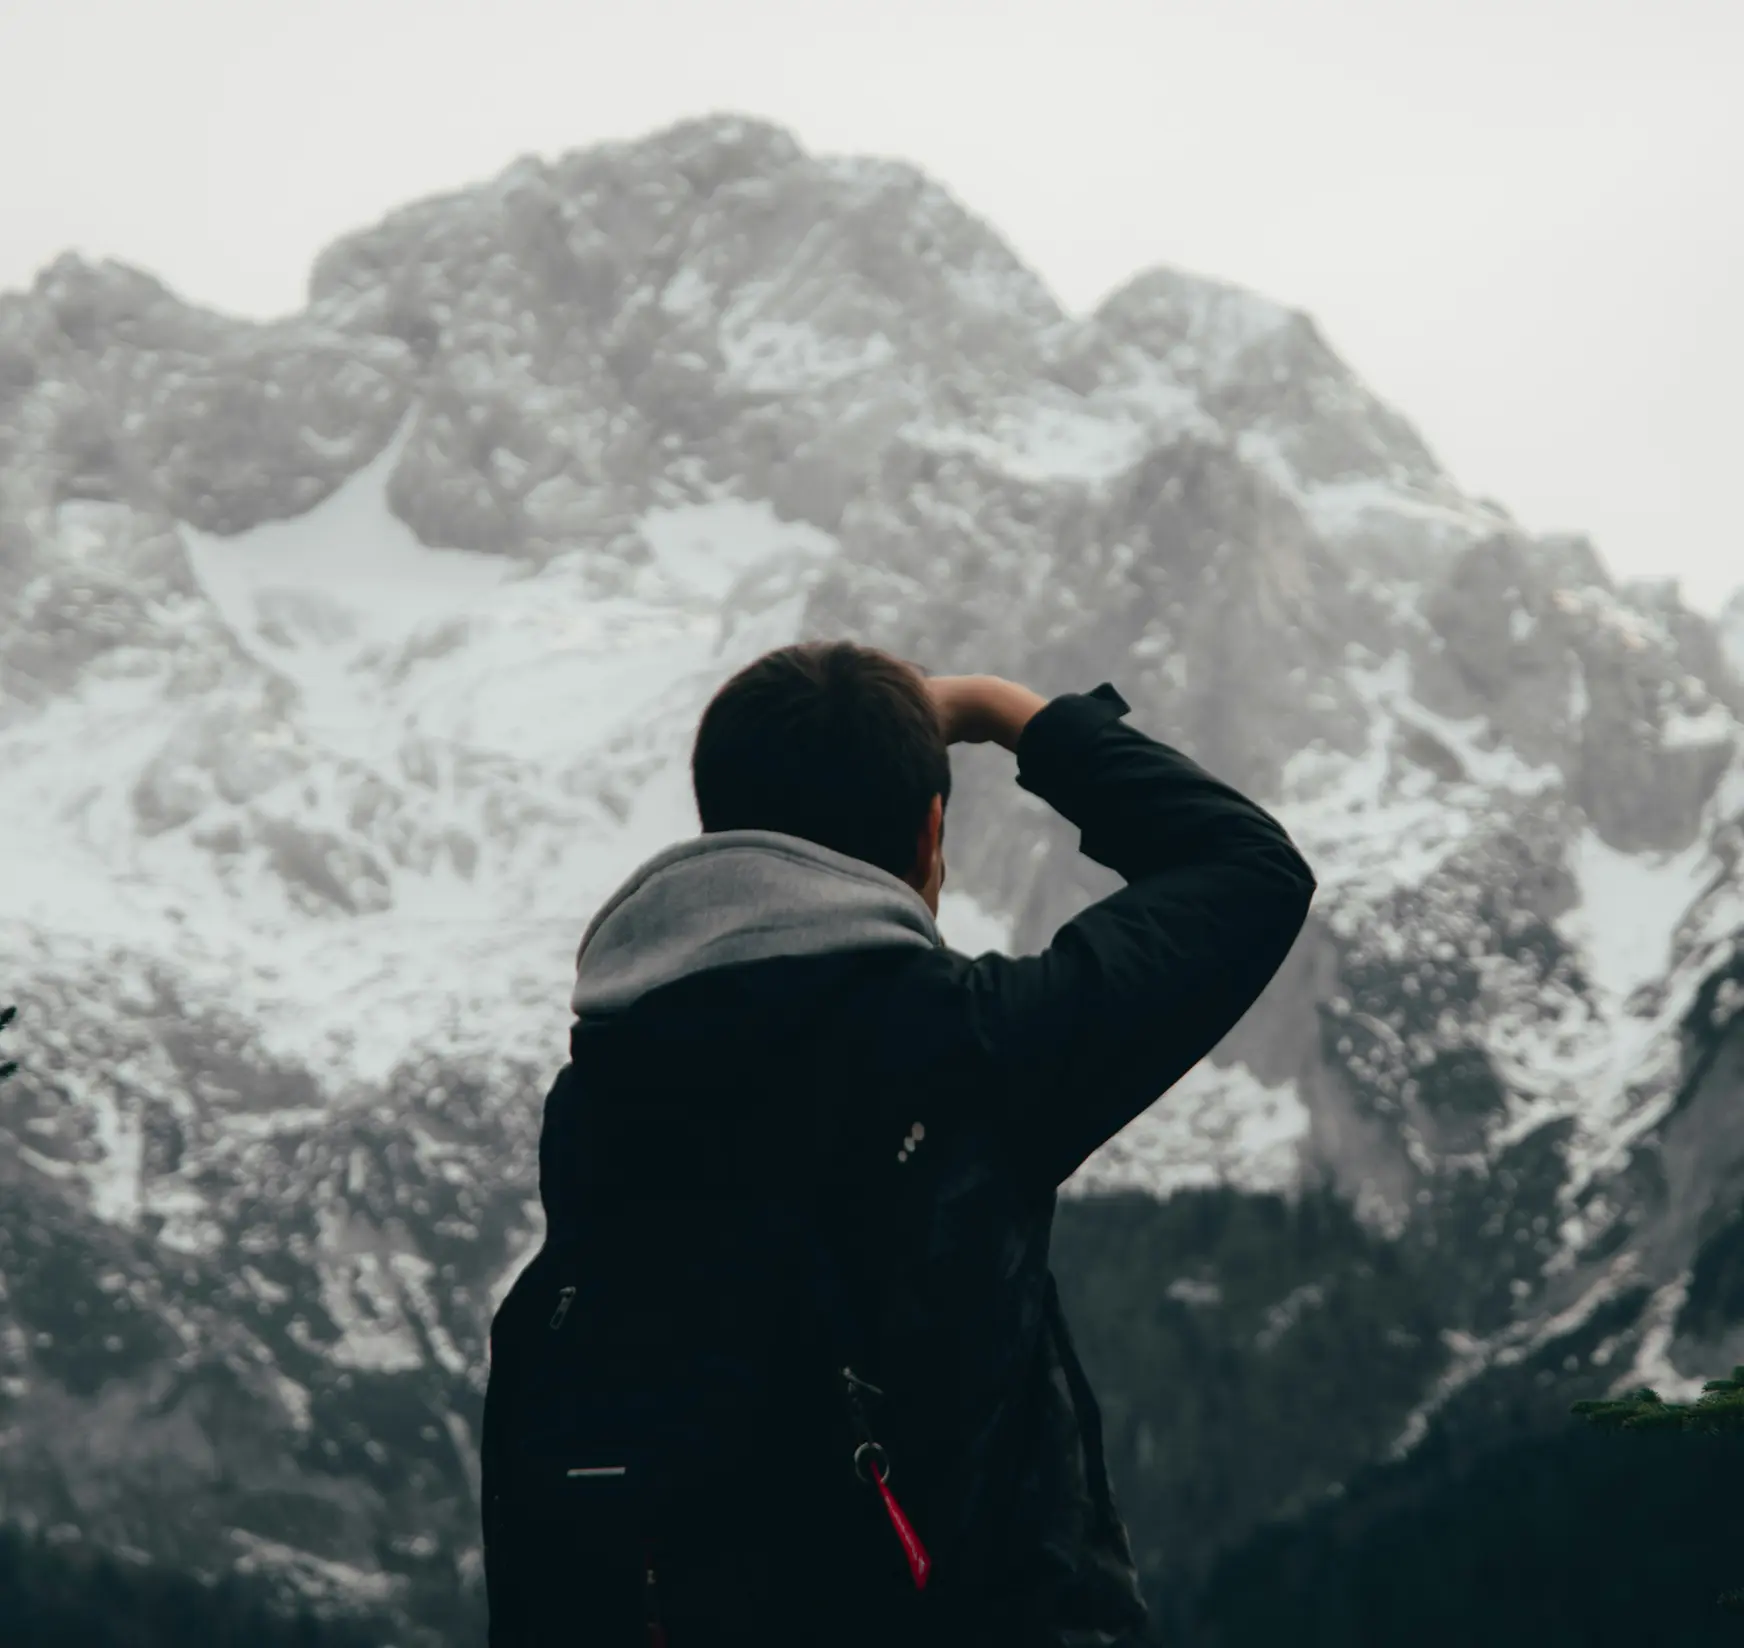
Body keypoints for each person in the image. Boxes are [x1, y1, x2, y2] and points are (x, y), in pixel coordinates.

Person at [482, 642, 1316, 1648]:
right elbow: (1250, 869)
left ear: (718, 830)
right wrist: (1010, 714)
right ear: (930, 836)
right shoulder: (969, 1047)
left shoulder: (602, 1082)